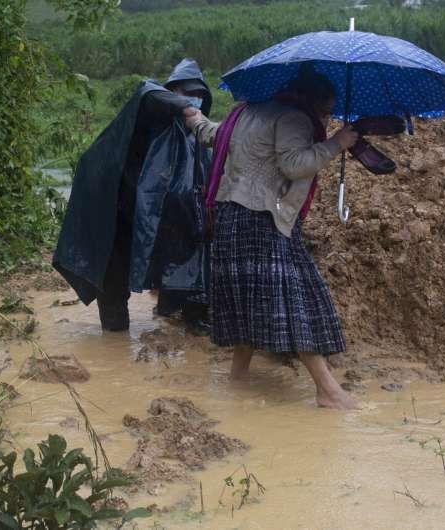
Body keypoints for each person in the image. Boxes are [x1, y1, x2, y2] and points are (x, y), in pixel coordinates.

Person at [186, 68, 360, 409]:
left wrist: (193, 117)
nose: (325, 119)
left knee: (247, 301)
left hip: (230, 216)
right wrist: (336, 144)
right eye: (325, 111)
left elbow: (213, 135)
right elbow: (294, 165)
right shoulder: (294, 118)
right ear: (310, 100)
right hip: (263, 218)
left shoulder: (245, 112)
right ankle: (327, 390)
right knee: (294, 301)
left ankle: (238, 379)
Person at [53, 58, 212, 333]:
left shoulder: (194, 140)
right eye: (187, 92)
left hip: (158, 219)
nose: (194, 99)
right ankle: (114, 340)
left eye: (199, 94)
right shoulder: (149, 115)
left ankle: (188, 316)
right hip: (117, 212)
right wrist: (187, 109)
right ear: (171, 93)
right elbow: (146, 89)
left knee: (187, 260)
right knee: (113, 280)